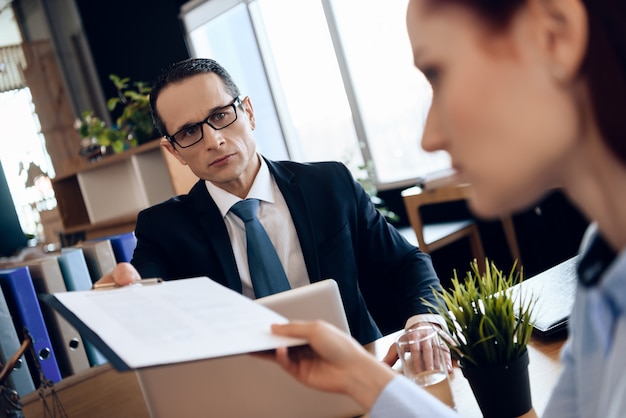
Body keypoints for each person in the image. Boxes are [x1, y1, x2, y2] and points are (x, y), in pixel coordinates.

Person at [266, 0, 626, 417]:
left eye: (438, 74)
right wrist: (364, 381)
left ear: (554, 34)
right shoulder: (602, 266)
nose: (429, 137)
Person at [99, 57, 450, 356]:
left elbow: (406, 263)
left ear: (248, 112)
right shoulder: (164, 229)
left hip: (362, 367)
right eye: (189, 132)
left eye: (221, 115)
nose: (214, 140)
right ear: (174, 150)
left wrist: (424, 322)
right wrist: (123, 299)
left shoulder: (328, 185)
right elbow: (147, 299)